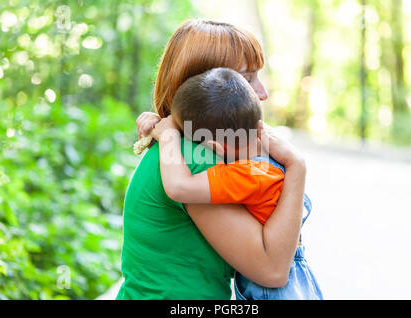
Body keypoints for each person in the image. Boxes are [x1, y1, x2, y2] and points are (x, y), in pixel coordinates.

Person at [117, 19, 308, 300]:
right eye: (246, 79)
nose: (263, 93)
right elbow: (272, 270)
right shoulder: (195, 160)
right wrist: (297, 167)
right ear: (205, 88)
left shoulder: (186, 147)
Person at [149, 67, 323, 300]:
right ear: (260, 127)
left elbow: (179, 187)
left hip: (272, 292)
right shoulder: (270, 164)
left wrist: (169, 136)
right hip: (301, 277)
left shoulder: (242, 176)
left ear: (216, 148)